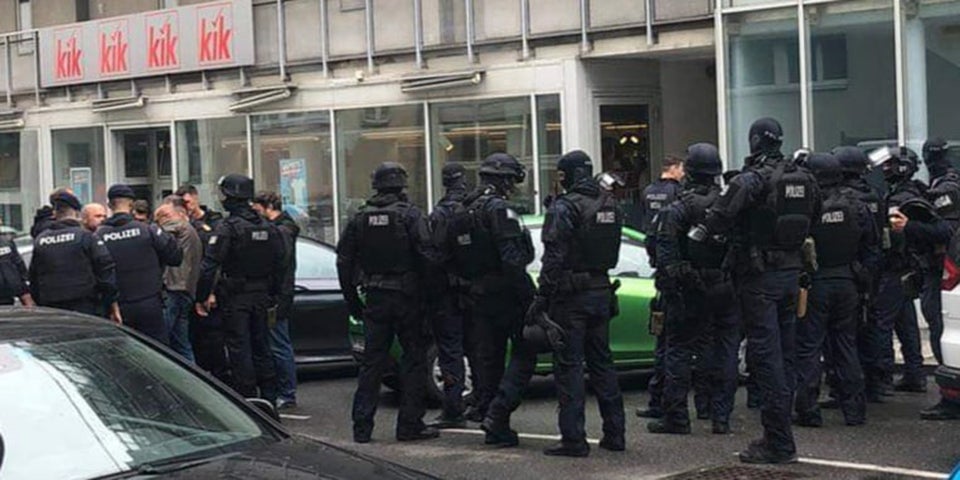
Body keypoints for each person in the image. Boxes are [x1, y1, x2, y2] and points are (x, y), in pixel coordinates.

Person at [692, 117, 820, 464]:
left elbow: (717, 218)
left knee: (766, 359)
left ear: (754, 142)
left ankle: (778, 442)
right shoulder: (804, 177)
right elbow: (815, 217)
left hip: (759, 277)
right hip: (791, 274)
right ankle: (781, 435)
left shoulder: (752, 179)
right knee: (786, 356)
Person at [519, 150, 624, 457]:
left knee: (569, 368)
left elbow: (554, 257)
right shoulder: (609, 203)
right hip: (602, 290)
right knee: (603, 364)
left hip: (572, 297)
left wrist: (542, 297)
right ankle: (615, 434)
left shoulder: (565, 207)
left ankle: (574, 439)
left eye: (562, 175)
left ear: (571, 175)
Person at [337, 162, 440, 443]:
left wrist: (352, 301)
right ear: (401, 185)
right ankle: (409, 425)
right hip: (408, 299)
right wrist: (432, 300)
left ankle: (362, 428)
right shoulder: (410, 215)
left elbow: (344, 261)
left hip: (375, 297)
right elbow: (428, 258)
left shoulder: (359, 218)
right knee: (413, 361)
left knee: (372, 364)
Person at [647, 143, 741, 436]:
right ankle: (720, 416)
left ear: (688, 171)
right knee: (724, 351)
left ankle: (677, 417)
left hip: (689, 289)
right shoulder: (731, 205)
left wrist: (677, 285)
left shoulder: (680, 207)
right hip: (725, 286)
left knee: (678, 350)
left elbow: (664, 253)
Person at [793, 153, 879, 428]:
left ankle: (808, 411)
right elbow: (872, 248)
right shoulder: (857, 205)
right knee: (846, 345)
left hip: (816, 283)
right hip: (848, 282)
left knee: (809, 347)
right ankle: (854, 410)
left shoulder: (807, 207)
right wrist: (864, 280)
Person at [448, 153, 535, 423]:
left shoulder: (462, 209)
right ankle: (498, 414)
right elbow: (513, 259)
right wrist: (530, 298)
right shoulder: (499, 209)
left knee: (489, 358)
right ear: (505, 180)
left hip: (477, 295)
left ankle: (486, 410)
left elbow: (451, 256)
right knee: (526, 353)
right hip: (507, 295)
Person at [196, 174, 284, 404]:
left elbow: (209, 265)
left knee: (239, 349)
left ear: (231, 197)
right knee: (262, 347)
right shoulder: (268, 227)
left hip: (236, 297)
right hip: (261, 296)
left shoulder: (228, 228)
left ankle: (248, 402)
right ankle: (270, 399)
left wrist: (201, 296)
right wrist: (274, 294)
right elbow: (280, 263)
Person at [872, 147, 952, 393]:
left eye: (890, 165)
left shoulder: (908, 196)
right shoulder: (902, 191)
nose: (885, 169)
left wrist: (908, 228)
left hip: (898, 266)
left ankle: (882, 377)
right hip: (905, 267)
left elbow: (943, 231)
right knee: (905, 322)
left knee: (882, 322)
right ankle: (914, 374)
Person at [832, 146, 886, 404]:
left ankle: (846, 391)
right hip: (869, 270)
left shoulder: (843, 199)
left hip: (847, 271)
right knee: (870, 327)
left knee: (844, 337)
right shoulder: (874, 195)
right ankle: (874, 386)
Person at [97, 185, 182, 343]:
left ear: (109, 205)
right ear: (131, 205)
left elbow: (99, 274)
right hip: (149, 304)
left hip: (118, 307)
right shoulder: (147, 230)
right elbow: (175, 257)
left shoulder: (98, 236)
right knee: (156, 350)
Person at [635, 155, 684, 419]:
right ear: (673, 169)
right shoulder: (679, 194)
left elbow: (647, 232)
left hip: (659, 271)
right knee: (675, 344)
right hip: (677, 271)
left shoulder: (648, 192)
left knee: (662, 341)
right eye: (681, 168)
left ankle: (657, 400)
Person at [427, 163, 475, 428]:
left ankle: (454, 409)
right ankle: (484, 407)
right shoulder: (475, 208)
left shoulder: (440, 213)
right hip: (477, 290)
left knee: (450, 351)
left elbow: (433, 256)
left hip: (447, 292)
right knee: (480, 349)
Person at [30, 191, 120, 320]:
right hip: (86, 308)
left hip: (53, 310)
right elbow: (105, 271)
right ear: (77, 214)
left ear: (55, 214)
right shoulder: (86, 237)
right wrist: (111, 304)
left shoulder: (41, 240)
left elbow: (34, 279)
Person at [253, 190, 300, 411]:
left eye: (258, 209)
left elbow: (281, 262)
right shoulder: (282, 228)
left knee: (279, 343)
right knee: (274, 342)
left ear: (268, 207)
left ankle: (287, 393)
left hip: (278, 294)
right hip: (276, 292)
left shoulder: (283, 230)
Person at [177, 184, 228, 382]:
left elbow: (215, 261)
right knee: (194, 338)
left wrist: (210, 291)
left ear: (196, 197)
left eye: (188, 201)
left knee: (213, 338)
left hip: (209, 288)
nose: (186, 206)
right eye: (182, 203)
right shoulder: (181, 224)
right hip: (188, 289)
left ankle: (219, 378)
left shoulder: (214, 222)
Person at [922, 138, 960, 365]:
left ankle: (946, 371)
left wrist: (912, 226)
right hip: (936, 265)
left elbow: (948, 230)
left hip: (944, 266)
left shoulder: (948, 187)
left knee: (938, 320)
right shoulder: (939, 182)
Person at [155, 203, 202, 362]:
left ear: (166, 217)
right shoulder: (191, 230)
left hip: (172, 289)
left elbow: (158, 234)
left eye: (158, 220)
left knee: (160, 341)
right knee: (182, 343)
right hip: (186, 290)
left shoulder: (177, 227)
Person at [0, 232, 33, 306]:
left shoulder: (6, 242)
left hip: (9, 295)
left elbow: (19, 266)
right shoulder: (6, 241)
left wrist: (24, 290)